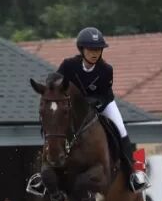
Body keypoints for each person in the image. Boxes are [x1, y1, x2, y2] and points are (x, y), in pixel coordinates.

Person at [55, 27, 149, 192]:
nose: (95, 53)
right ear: (81, 49)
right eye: (91, 49)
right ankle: (44, 175)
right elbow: (56, 82)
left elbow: (105, 94)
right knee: (55, 127)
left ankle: (133, 174)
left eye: (98, 49)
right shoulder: (68, 65)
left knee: (121, 130)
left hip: (103, 104)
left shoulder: (106, 70)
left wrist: (95, 103)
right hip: (75, 108)